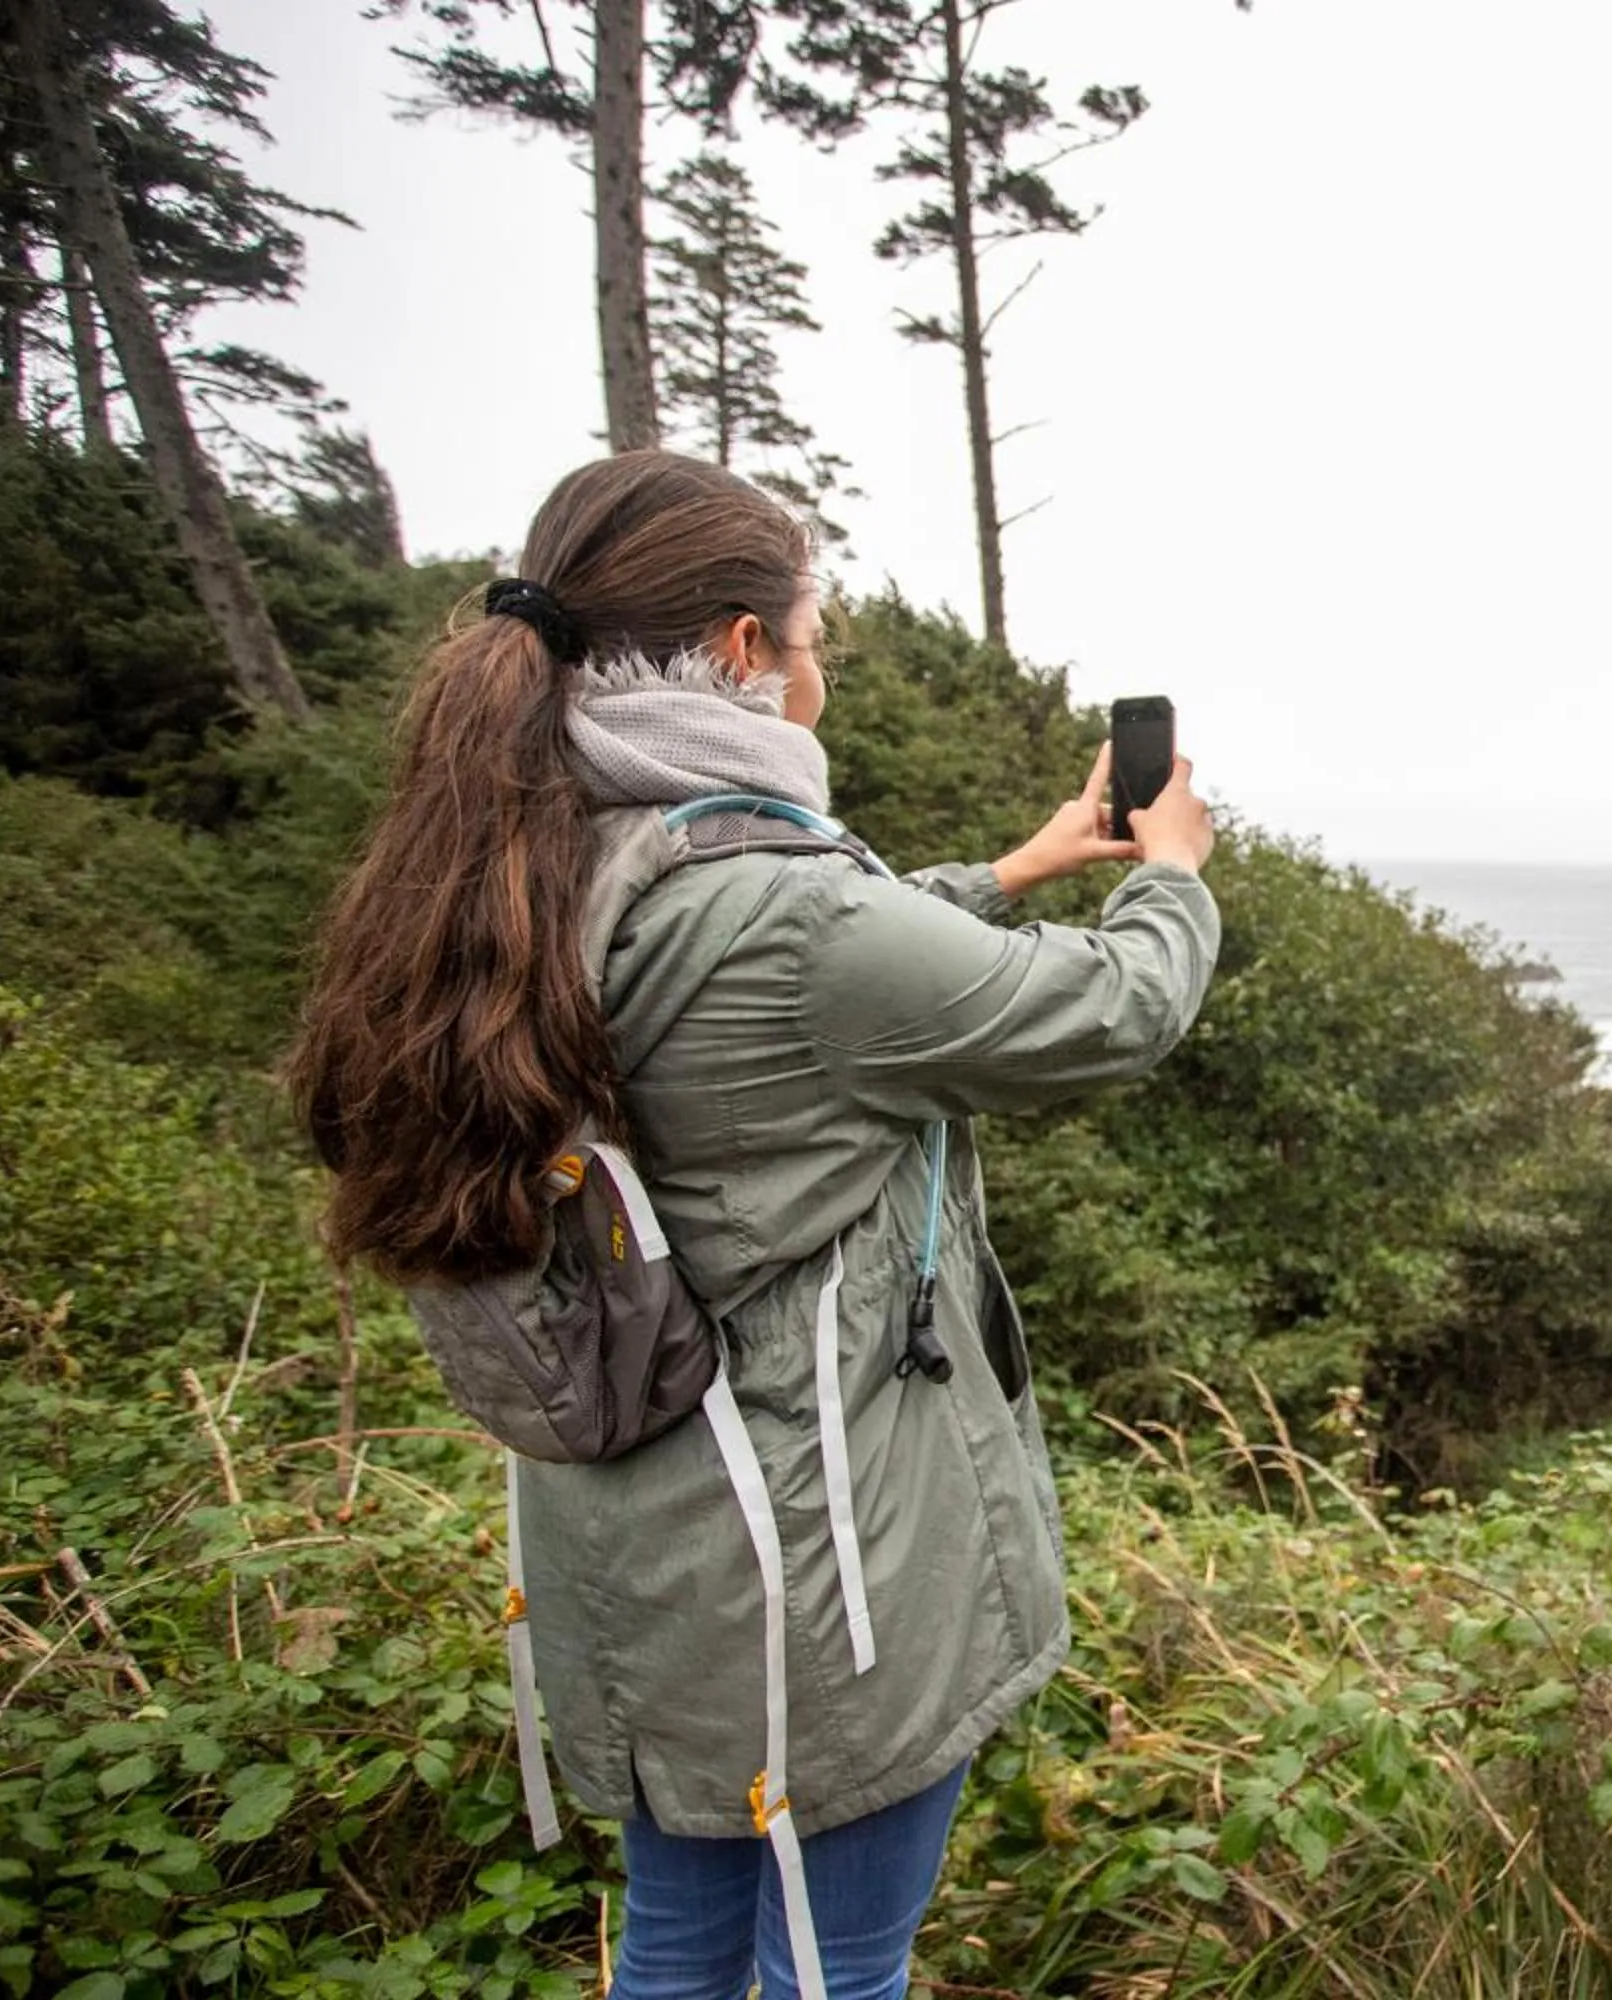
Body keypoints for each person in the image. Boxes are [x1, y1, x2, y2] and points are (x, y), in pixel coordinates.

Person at [286, 451, 1220, 2000]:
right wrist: (1170, 877)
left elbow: (787, 965)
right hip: (814, 1557)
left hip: (646, 1537)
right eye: (812, 636)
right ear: (738, 651)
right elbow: (1106, 1012)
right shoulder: (786, 912)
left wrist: (1014, 871)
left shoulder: (539, 846)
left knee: (685, 1941)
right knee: (834, 1965)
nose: (819, 668)